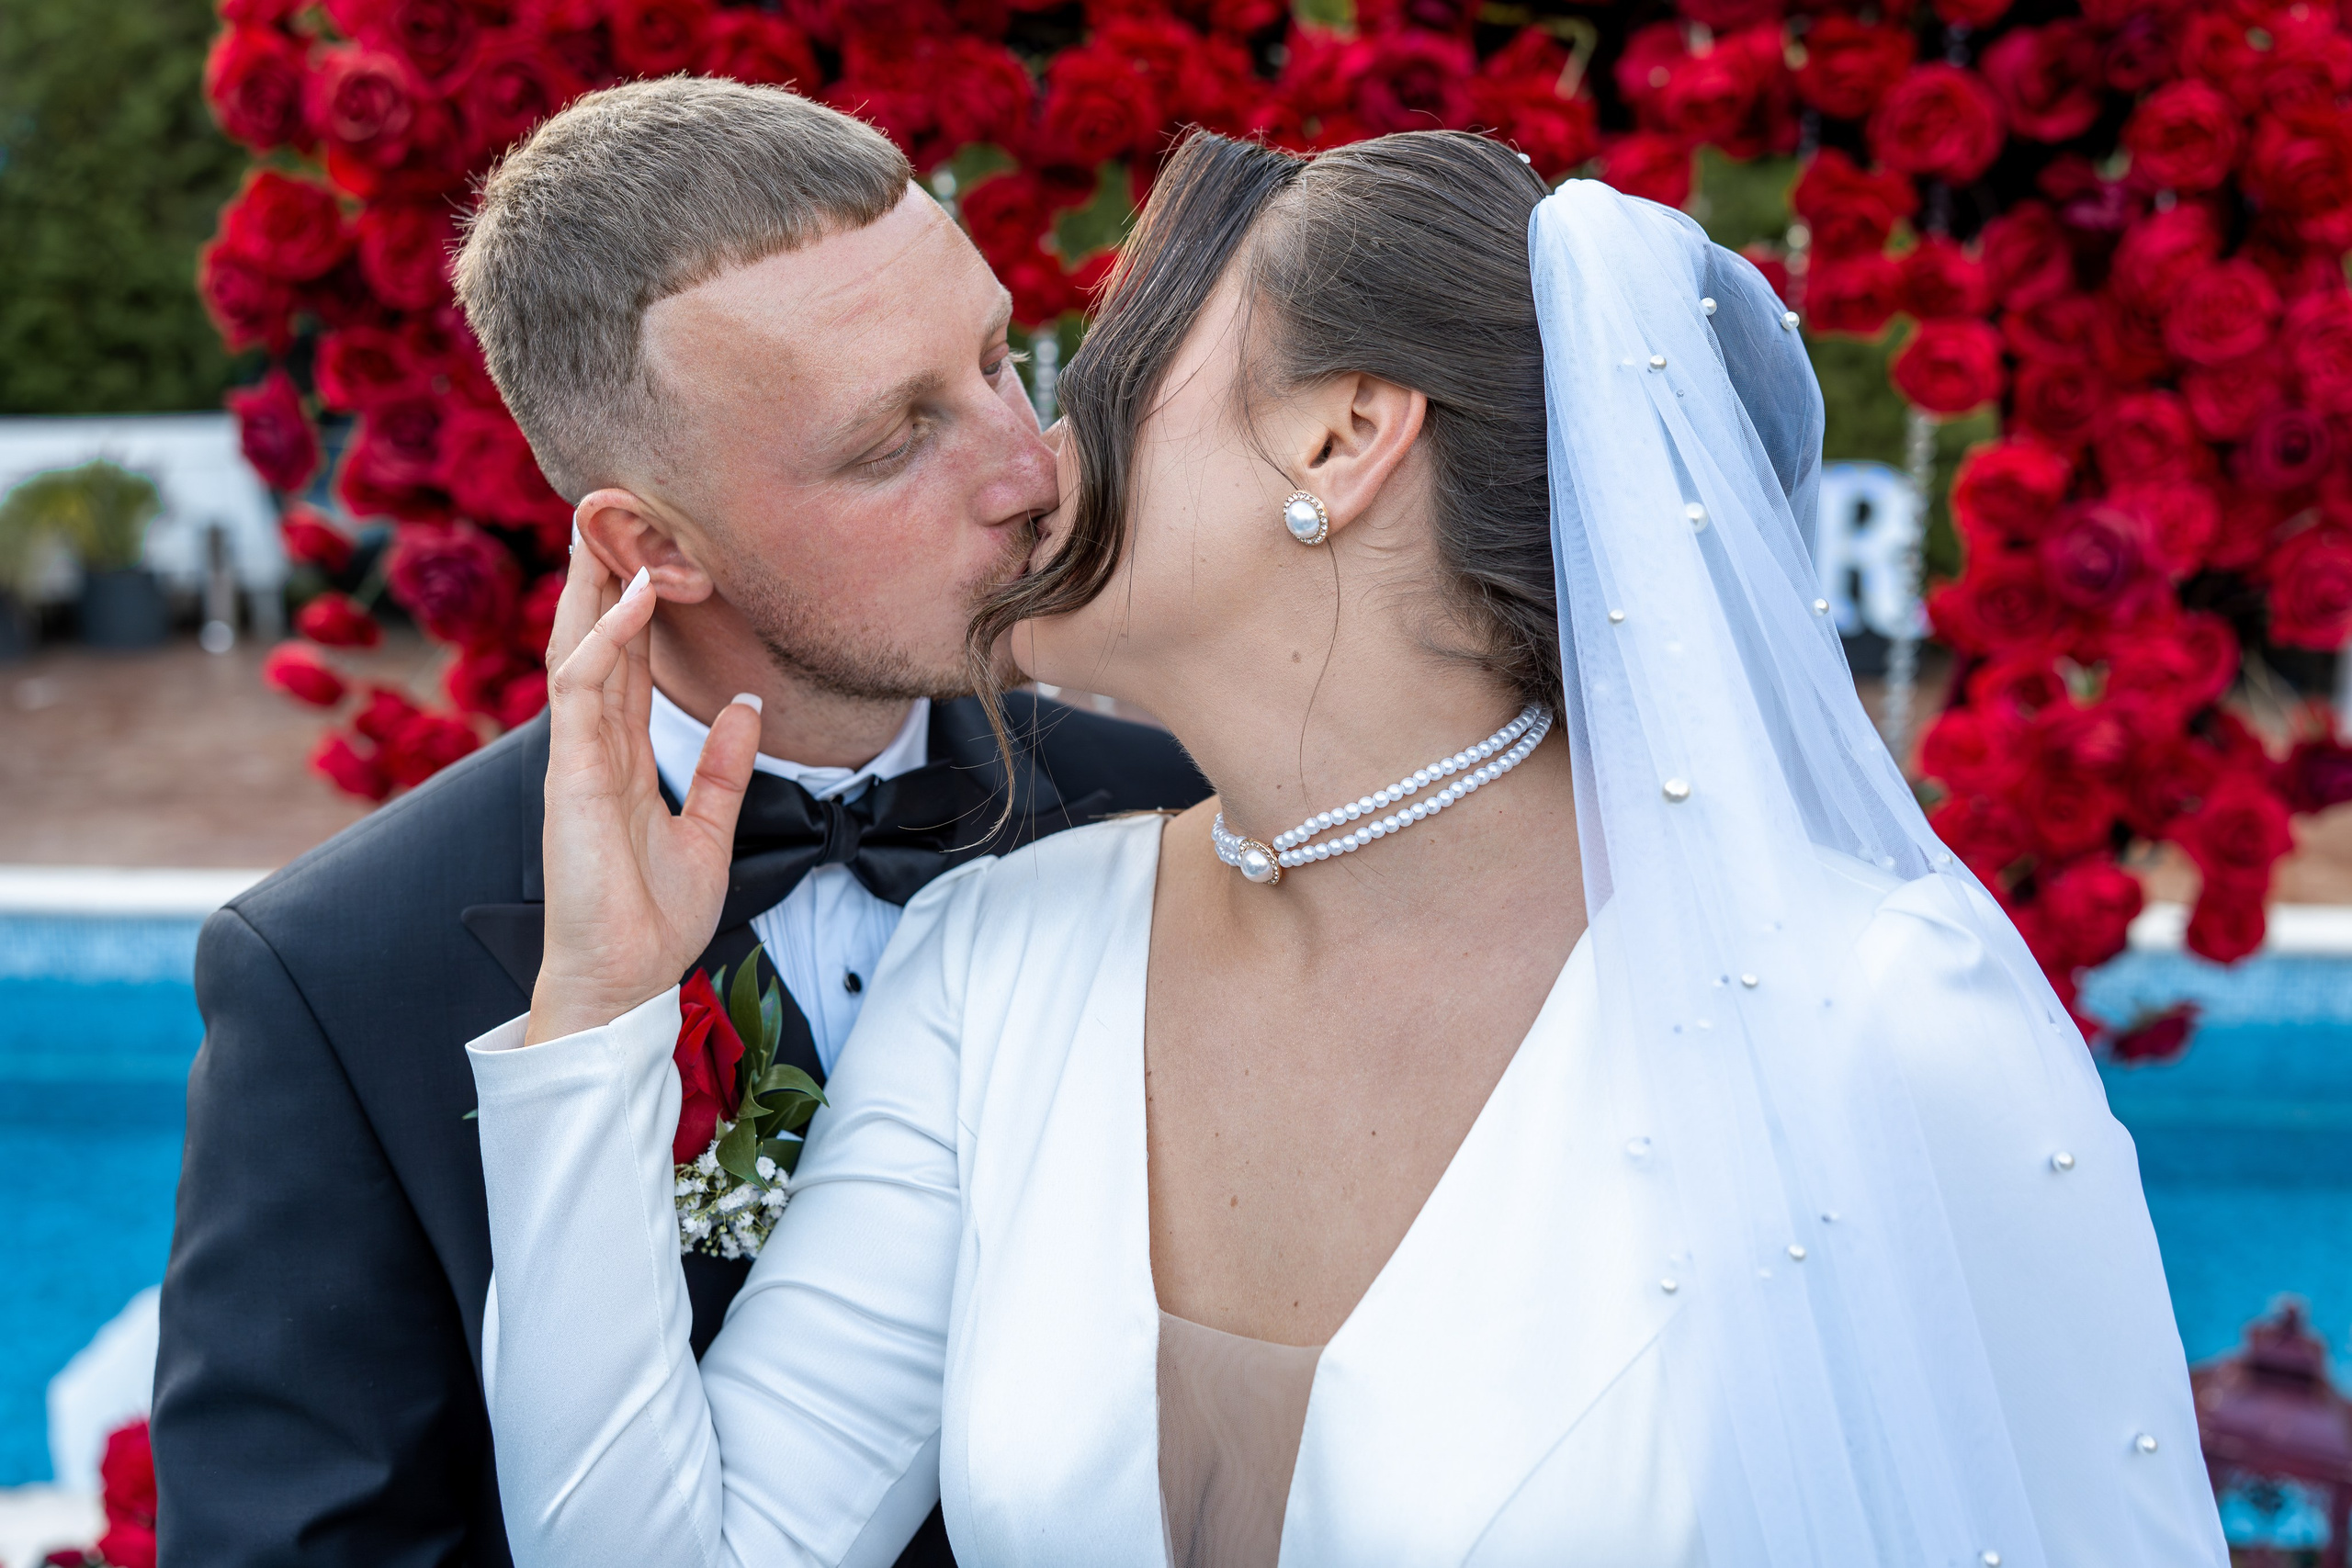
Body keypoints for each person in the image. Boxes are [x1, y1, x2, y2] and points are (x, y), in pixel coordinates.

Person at [466, 129, 2232, 1567]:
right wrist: (600, 1004)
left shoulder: (1867, 1021)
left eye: (1089, 363)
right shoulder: (999, 959)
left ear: (1344, 433)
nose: (1026, 459)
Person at [150, 79, 1205, 1568]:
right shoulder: (338, 974)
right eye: (896, 438)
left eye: (994, 359)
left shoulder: (1180, 817)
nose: (1029, 470)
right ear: (652, 546)